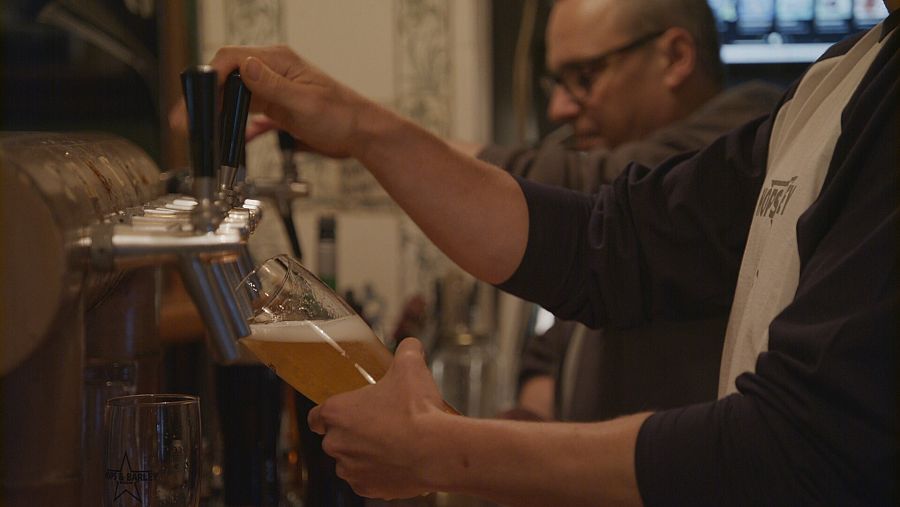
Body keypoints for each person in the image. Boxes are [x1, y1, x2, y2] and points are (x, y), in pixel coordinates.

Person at [176, 2, 898, 503]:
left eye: (583, 75)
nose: (559, 105)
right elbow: (610, 244)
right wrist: (360, 127)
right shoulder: (845, 76)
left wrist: (444, 450)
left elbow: (794, 449)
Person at [463, 0, 784, 422]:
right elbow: (557, 341)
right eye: (556, 83)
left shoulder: (745, 141)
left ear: (675, 57)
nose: (559, 108)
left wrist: (382, 140)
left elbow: (584, 195)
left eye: (584, 77)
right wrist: (537, 413)